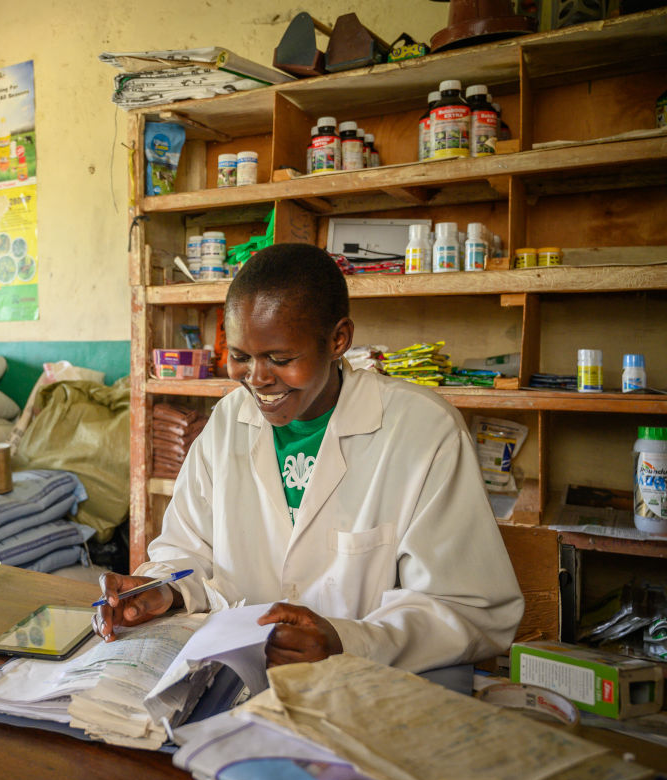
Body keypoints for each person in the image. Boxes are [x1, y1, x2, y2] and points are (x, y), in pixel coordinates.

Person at [95, 243, 523, 673]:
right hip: (241, 682)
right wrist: (161, 587)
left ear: (339, 340)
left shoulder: (424, 431)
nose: (258, 379)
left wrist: (348, 640)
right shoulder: (228, 422)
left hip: (365, 690)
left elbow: (468, 608)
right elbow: (188, 549)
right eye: (241, 357)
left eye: (280, 359)